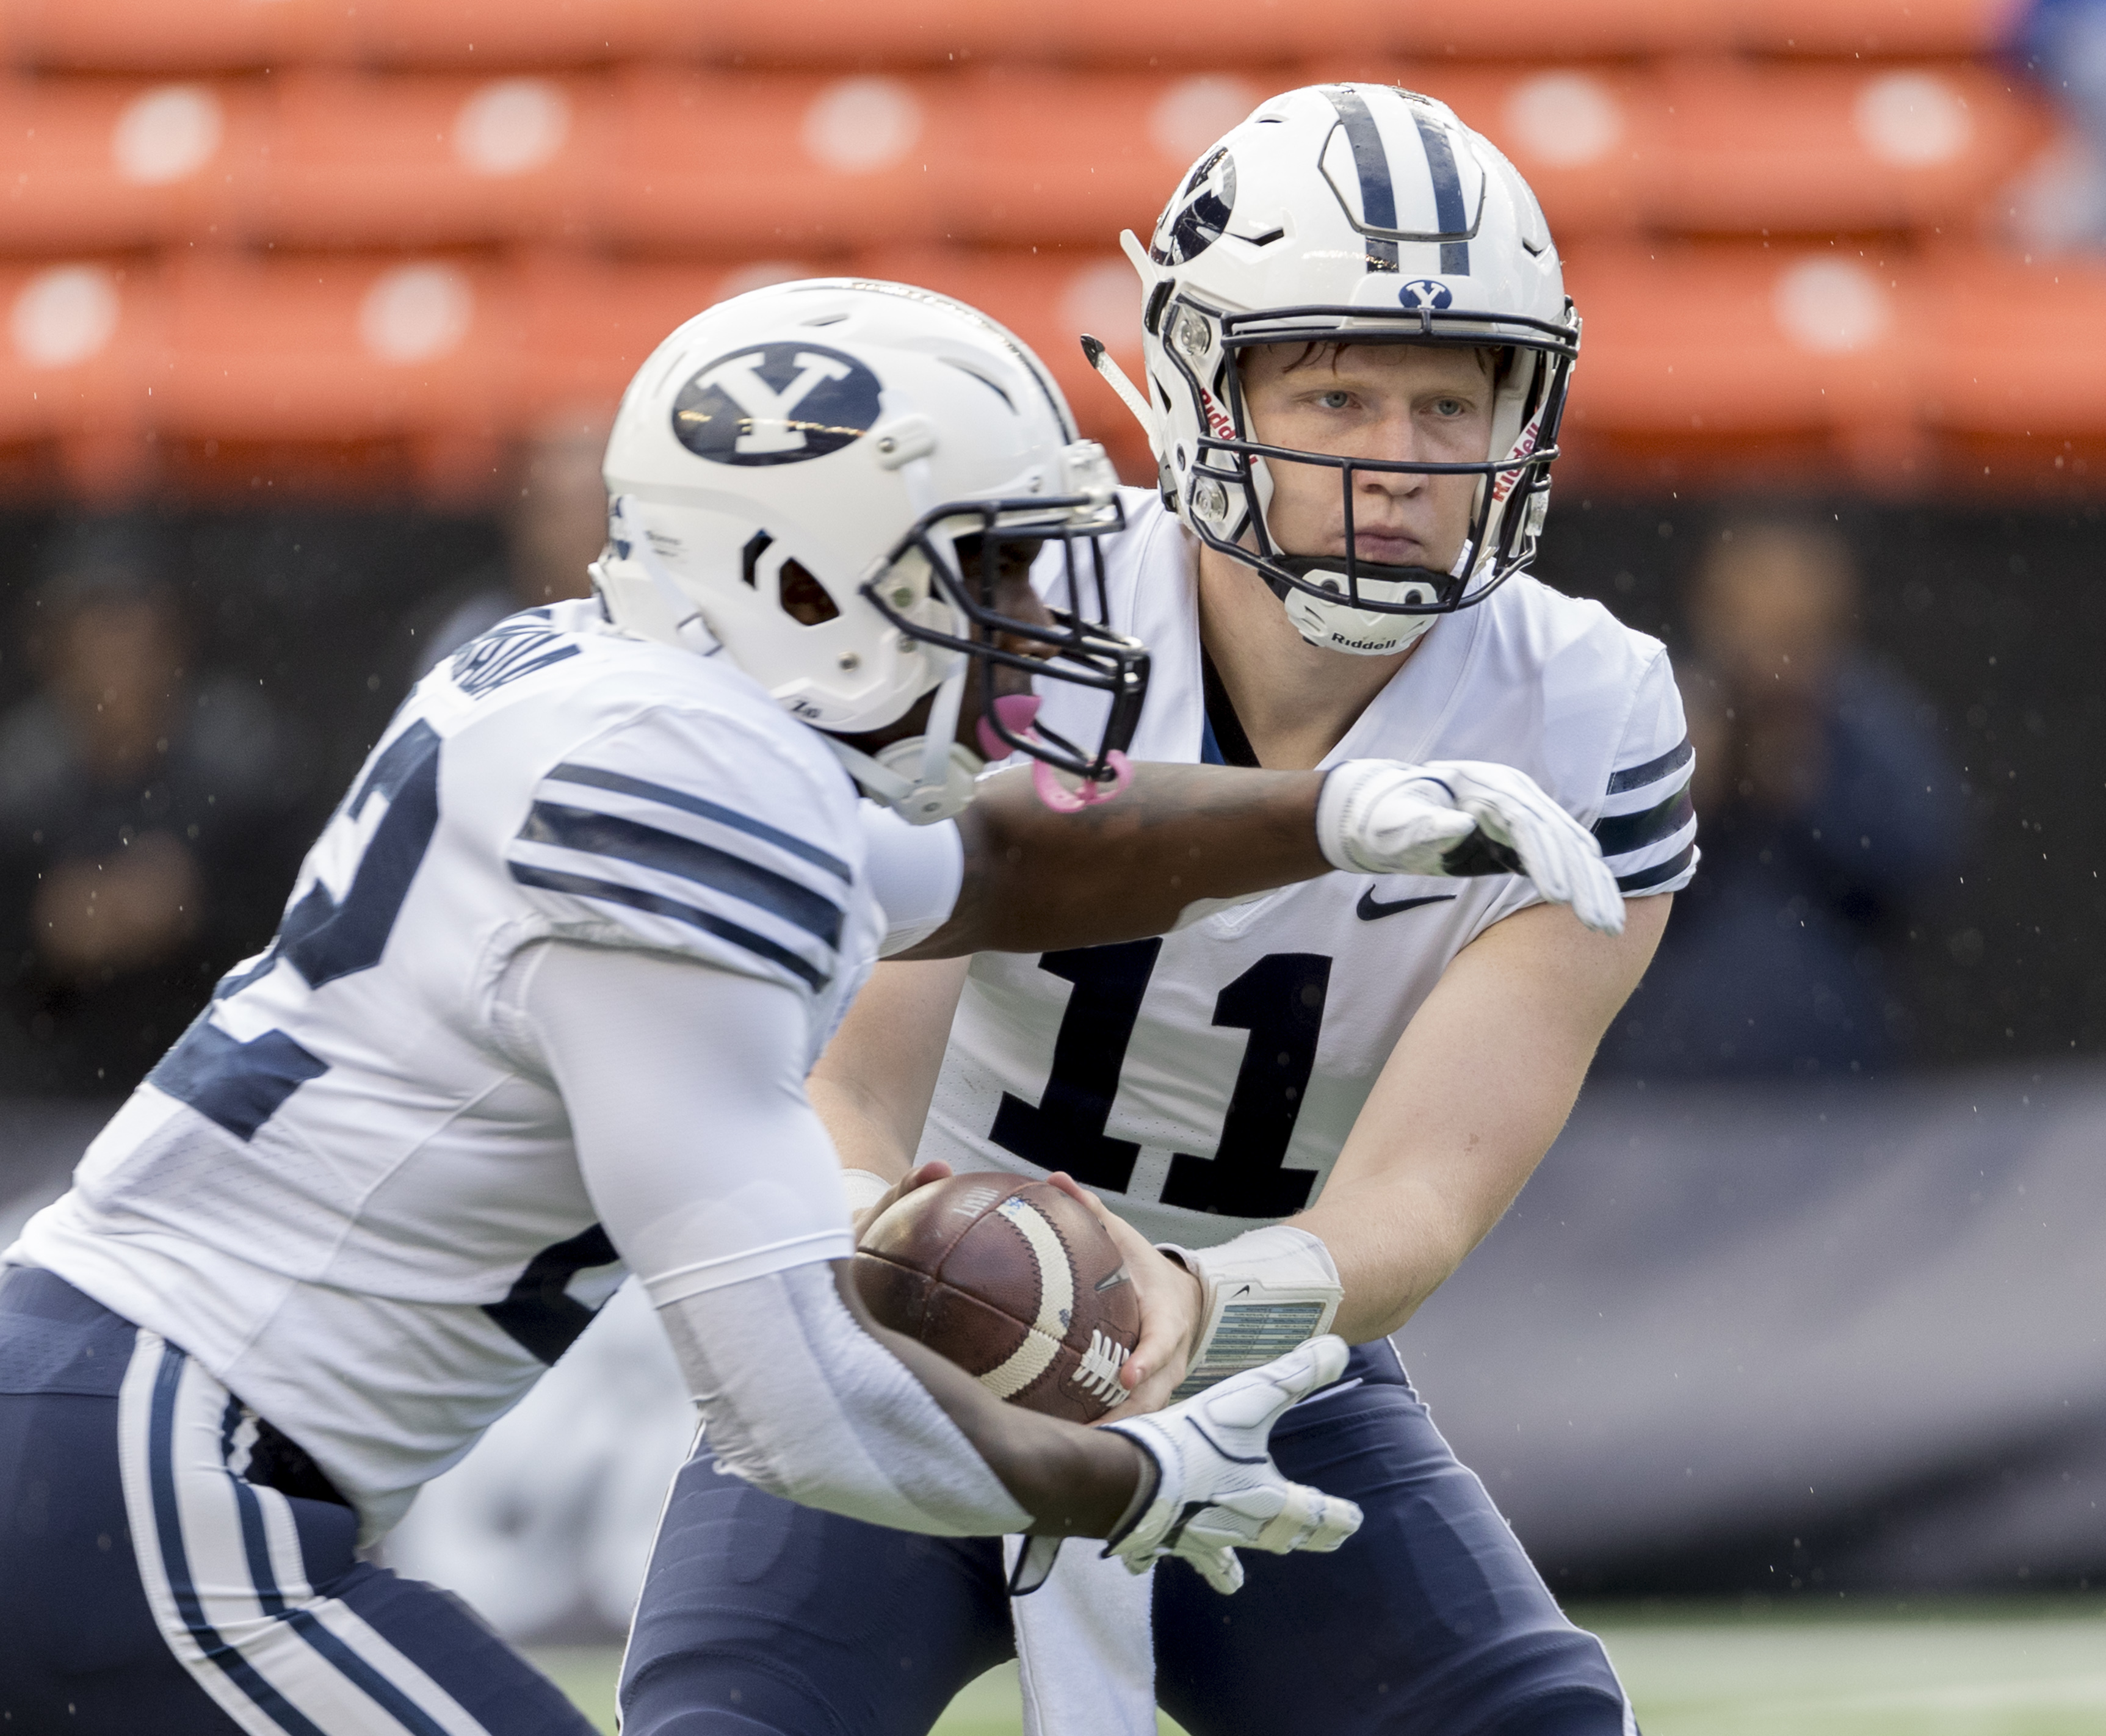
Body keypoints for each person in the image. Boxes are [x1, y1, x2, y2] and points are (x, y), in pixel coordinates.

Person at [0, 278, 1621, 1733]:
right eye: (983, 567)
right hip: (152, 1470)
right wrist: (1134, 1476)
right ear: (788, 575)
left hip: (106, 1430)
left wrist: (1322, 816)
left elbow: (992, 867)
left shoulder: (616, 697)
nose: (1036, 622)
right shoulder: (687, 808)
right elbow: (801, 1405)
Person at [619, 88, 1696, 1736]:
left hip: (1258, 1342)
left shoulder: (1593, 709)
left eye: (1442, 403)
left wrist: (1194, 1307)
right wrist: (905, 1259)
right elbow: (849, 1082)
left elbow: (1419, 1196)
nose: (1394, 464)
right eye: (1336, 390)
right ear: (1197, 389)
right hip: (904, 1306)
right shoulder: (1027, 611)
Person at [1598, 515, 1956, 1078]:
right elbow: (1580, 875)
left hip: (1837, 1077)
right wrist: (1682, 795)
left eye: (1795, 624)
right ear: (1710, 608)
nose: (1769, 646)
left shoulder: (1864, 717)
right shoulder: (1655, 707)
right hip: (1664, 1081)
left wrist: (1809, 783)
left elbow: (1926, 859)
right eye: (1749, 613)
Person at [0, 519, 309, 1099]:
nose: (116, 654)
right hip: (47, 1097)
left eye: (134, 630)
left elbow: (306, 928)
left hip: (215, 1088)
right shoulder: (21, 783)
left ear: (174, 641)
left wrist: (195, 907)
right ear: (54, 647)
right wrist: (48, 930)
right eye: (94, 632)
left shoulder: (241, 763)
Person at [403, 410, 613, 683]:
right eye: (555, 512)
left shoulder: (661, 629)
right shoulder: (475, 638)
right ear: (518, 517)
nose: (585, 533)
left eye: (599, 511)